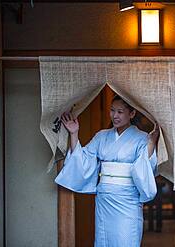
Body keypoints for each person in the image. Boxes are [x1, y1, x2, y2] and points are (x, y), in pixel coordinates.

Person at [55, 95, 160, 247]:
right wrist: (74, 133)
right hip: (104, 197)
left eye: (120, 111)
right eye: (112, 111)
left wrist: (151, 142)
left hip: (128, 198)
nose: (114, 116)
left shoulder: (142, 138)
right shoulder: (101, 136)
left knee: (127, 240)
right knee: (104, 241)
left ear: (132, 113)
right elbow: (83, 160)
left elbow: (145, 168)